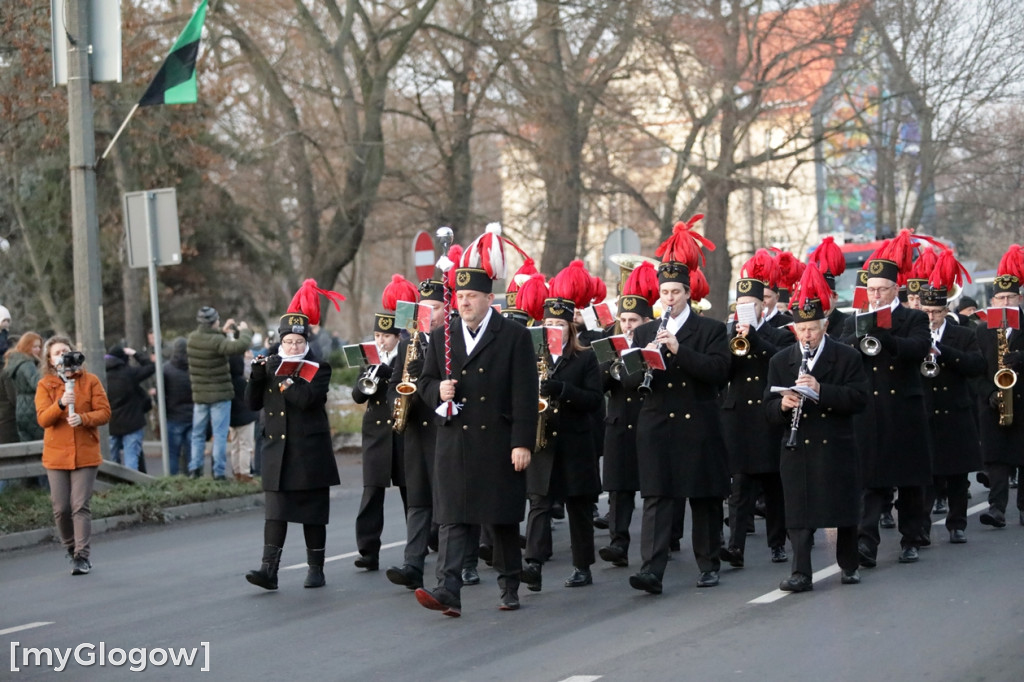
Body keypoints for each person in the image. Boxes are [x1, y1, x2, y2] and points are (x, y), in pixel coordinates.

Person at [414, 226, 537, 616]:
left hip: (497, 439)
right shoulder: (442, 337)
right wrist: (438, 393)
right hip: (454, 439)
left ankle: (510, 582)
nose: (464, 303)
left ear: (489, 298)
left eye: (471, 297)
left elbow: (524, 393)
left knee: (499, 518)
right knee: (452, 517)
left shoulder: (513, 335)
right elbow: (425, 382)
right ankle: (447, 589)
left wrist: (522, 442)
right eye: (460, 297)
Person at [629, 218, 730, 595]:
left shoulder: (710, 330)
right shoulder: (643, 332)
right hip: (657, 423)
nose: (668, 298)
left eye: (674, 291)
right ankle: (651, 570)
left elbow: (718, 371)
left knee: (703, 497)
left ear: (688, 293)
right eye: (663, 292)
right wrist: (634, 359)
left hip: (698, 422)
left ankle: (708, 563)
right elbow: (626, 381)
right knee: (657, 497)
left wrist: (678, 350)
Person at [764, 264, 869, 591]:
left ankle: (849, 564)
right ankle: (801, 573)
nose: (806, 335)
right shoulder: (781, 361)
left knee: (843, 506)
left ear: (824, 326)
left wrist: (822, 390)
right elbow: (766, 408)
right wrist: (782, 405)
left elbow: (859, 399)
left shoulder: (846, 356)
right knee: (798, 510)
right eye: (801, 329)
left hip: (836, 442)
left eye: (812, 328)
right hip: (798, 445)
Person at [839, 230, 933, 566]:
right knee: (871, 481)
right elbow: (845, 351)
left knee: (909, 480)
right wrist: (860, 336)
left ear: (896, 289)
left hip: (904, 408)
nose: (875, 294)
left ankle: (911, 538)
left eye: (881, 289)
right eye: (871, 289)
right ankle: (866, 544)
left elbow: (918, 349)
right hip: (871, 410)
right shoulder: (857, 318)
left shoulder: (913, 317)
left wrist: (886, 336)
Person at [244, 280, 344, 590]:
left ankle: (316, 569)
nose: (294, 348)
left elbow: (306, 400)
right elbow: (252, 403)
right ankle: (268, 570)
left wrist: (285, 378)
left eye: (299, 343)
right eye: (288, 342)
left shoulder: (318, 368)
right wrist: (258, 376)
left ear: (306, 343)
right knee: (275, 513)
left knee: (313, 514)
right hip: (277, 451)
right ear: (280, 343)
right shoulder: (272, 364)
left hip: (309, 453)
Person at [520, 287, 603, 591]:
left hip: (575, 442)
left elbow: (594, 400)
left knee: (578, 505)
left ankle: (582, 566)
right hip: (543, 442)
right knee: (539, 502)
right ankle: (533, 564)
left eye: (559, 324)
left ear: (570, 328)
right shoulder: (533, 356)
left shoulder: (584, 358)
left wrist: (563, 390)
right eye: (549, 324)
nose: (553, 329)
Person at [720, 274, 790, 569]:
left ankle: (777, 544)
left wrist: (755, 338)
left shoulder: (780, 333)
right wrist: (736, 340)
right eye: (741, 304)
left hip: (768, 416)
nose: (746, 308)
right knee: (740, 486)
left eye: (752, 304)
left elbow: (783, 361)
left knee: (774, 485)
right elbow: (721, 371)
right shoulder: (727, 333)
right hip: (738, 419)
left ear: (764, 306)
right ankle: (735, 546)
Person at [385, 278, 447, 590]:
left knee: (450, 502)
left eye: (435, 307)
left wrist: (428, 383)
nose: (429, 314)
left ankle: (462, 564)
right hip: (417, 433)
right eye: (424, 308)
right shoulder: (409, 344)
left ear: (446, 309)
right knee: (419, 502)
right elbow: (395, 384)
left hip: (445, 430)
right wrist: (398, 401)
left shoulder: (453, 342)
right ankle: (413, 565)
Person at [918, 258, 985, 542]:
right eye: (927, 311)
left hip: (956, 412)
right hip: (925, 414)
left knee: (958, 476)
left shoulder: (963, 334)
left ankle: (956, 524)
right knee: (926, 477)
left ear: (946, 311)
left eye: (936, 311)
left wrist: (941, 350)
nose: (931, 316)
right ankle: (920, 529)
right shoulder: (914, 335)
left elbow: (976, 366)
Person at [351, 274, 413, 571]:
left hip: (401, 431)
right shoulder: (369, 360)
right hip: (375, 432)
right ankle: (368, 551)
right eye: (377, 336)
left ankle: (419, 546)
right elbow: (357, 396)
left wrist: (389, 375)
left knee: (409, 492)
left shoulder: (405, 358)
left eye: (386, 337)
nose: (380, 341)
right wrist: (371, 376)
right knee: (372, 492)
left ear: (398, 337)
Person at [596, 263, 656, 568]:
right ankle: (618, 544)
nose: (628, 325)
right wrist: (610, 363)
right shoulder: (611, 345)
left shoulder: (654, 344)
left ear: (646, 321)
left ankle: (659, 542)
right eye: (623, 319)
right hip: (618, 423)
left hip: (647, 423)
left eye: (633, 319)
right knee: (619, 488)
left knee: (652, 490)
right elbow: (600, 385)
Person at [35, 337, 111, 575]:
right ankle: (70, 546)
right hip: (56, 455)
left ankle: (82, 555)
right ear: (49, 359)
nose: (62, 356)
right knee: (61, 508)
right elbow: (43, 419)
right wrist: (60, 404)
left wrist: (83, 418)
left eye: (65, 351)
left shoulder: (90, 381)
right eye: (57, 352)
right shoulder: (45, 385)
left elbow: (105, 412)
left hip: (85, 453)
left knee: (80, 506)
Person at [975, 245, 1024, 528]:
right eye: (1000, 297)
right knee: (995, 459)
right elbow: (976, 370)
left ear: (1019, 298)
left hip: (1023, 400)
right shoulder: (982, 331)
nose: (1005, 302)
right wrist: (990, 393)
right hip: (994, 403)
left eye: (1010, 297)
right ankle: (997, 508)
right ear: (992, 300)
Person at [186, 306, 253, 479]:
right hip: (220, 396)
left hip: (200, 395)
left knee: (198, 434)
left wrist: (222, 332)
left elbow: (213, 343)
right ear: (213, 322)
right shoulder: (216, 341)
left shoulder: (192, 339)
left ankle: (195, 469)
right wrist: (245, 331)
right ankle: (218, 472)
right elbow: (239, 346)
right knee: (220, 434)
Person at [105, 345, 155, 471]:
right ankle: (131, 486)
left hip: (110, 424)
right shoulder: (129, 373)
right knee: (131, 459)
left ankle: (112, 486)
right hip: (132, 422)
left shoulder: (100, 375)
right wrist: (135, 353)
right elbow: (150, 366)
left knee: (111, 459)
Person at [4, 332, 45, 443]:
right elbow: (37, 383)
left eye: (39, 347)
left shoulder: (15, 361)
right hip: (33, 406)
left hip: (21, 406)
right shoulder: (28, 364)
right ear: (26, 346)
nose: (38, 350)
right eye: (35, 346)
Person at [163, 338, 194, 476]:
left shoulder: (166, 369)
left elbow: (162, 394)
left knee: (172, 454)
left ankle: (173, 480)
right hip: (192, 415)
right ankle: (192, 479)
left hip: (173, 416)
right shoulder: (193, 369)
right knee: (191, 452)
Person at [228, 350, 258, 482]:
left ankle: (236, 472)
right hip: (246, 418)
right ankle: (245, 474)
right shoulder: (243, 382)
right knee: (246, 446)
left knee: (235, 446)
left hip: (232, 419)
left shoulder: (227, 383)